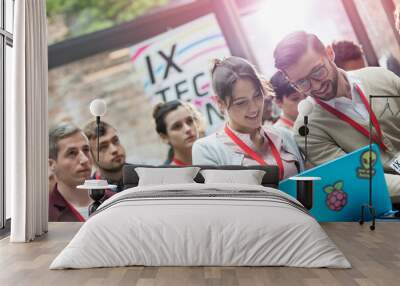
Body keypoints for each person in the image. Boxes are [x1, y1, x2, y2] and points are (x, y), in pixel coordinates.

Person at [273, 30, 400, 200]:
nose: (316, 86)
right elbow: (362, 179)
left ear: (329, 53)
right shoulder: (308, 131)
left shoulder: (381, 77)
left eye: (317, 71)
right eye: (302, 82)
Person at [192, 56, 304, 180]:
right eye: (241, 103)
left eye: (257, 95)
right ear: (220, 102)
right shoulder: (208, 149)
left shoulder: (285, 136)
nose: (254, 109)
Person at [49, 122, 114, 222]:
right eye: (72, 153)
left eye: (86, 150)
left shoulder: (114, 201)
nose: (84, 160)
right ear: (51, 164)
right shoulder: (45, 214)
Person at [153, 100, 202, 166]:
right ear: (164, 137)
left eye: (189, 121)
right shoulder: (166, 175)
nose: (188, 129)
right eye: (177, 126)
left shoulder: (214, 157)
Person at [83, 120, 127, 193]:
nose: (114, 150)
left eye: (115, 141)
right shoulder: (89, 193)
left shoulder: (144, 178)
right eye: (103, 147)